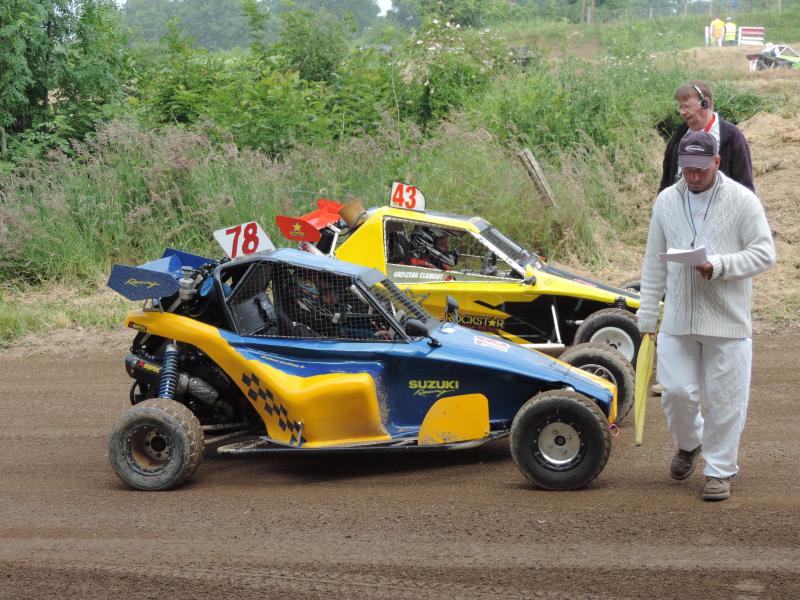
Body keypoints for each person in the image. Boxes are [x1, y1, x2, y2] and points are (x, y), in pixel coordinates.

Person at [637, 131, 775, 502]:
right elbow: (653, 261)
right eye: (687, 169)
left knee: (725, 400)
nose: (694, 176)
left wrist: (721, 265)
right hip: (678, 317)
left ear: (716, 162)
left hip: (727, 321)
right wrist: (647, 315)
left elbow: (765, 253)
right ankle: (690, 443)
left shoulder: (743, 201)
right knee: (676, 392)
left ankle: (719, 470)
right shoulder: (666, 200)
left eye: (701, 169)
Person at [660, 81, 754, 193]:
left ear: (706, 103)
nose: (683, 112)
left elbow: (745, 188)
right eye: (681, 107)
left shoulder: (732, 137)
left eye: (687, 106)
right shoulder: (678, 136)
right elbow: (666, 182)